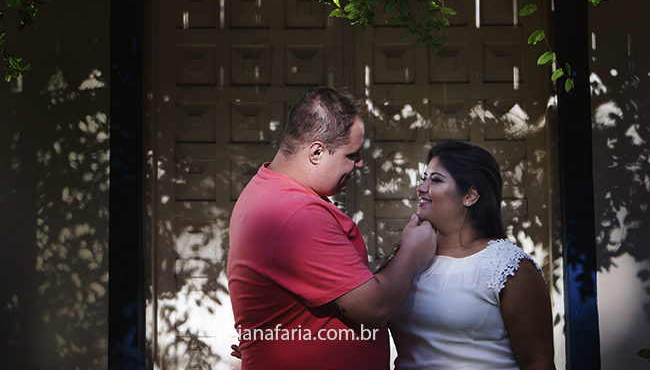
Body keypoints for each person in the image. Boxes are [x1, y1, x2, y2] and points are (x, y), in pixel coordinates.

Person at [227, 86, 437, 370]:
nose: (360, 163)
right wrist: (412, 250)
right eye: (352, 155)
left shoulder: (268, 190)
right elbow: (374, 307)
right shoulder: (296, 212)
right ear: (316, 152)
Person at [387, 139, 555, 370]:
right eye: (423, 178)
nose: (422, 187)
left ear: (470, 195)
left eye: (435, 179)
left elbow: (538, 361)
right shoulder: (406, 257)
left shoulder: (509, 267)